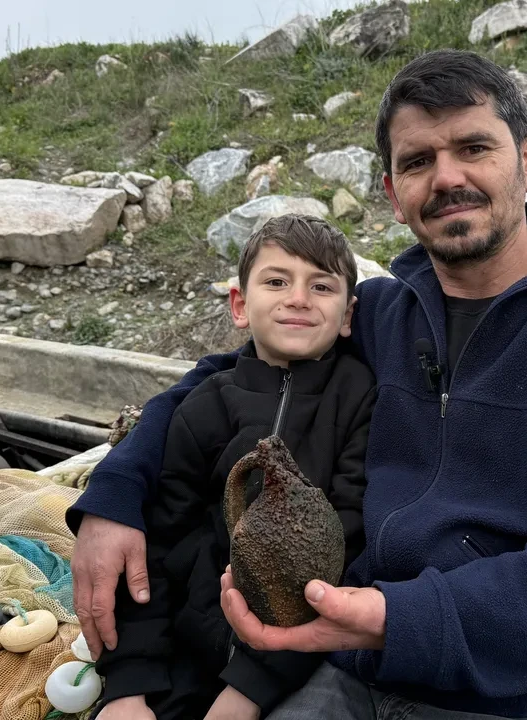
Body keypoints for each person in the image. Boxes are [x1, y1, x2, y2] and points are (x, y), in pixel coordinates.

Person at [68, 49, 527, 720]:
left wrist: (398, 617)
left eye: (474, 147)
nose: (448, 178)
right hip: (365, 675)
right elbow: (234, 374)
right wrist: (115, 493)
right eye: (417, 161)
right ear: (392, 194)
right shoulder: (384, 315)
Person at [84, 215, 377, 720]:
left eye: (322, 285)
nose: (299, 298)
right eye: (277, 281)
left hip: (291, 664)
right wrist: (127, 686)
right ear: (240, 305)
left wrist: (248, 689)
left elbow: (348, 539)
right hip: (185, 647)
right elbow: (155, 546)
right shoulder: (203, 406)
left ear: (348, 315)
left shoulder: (362, 400)